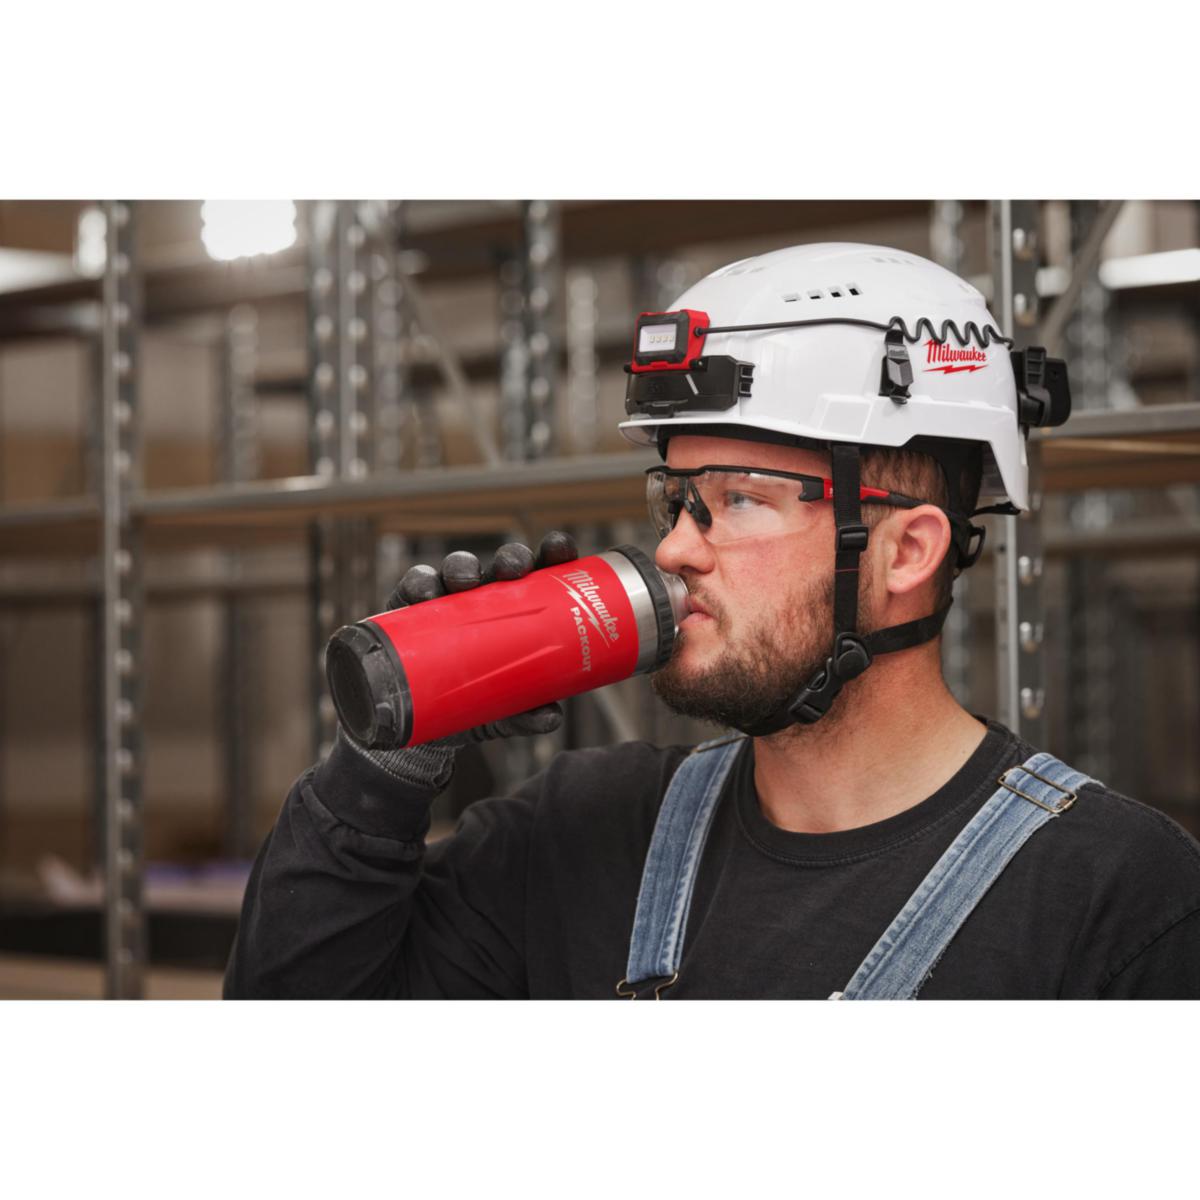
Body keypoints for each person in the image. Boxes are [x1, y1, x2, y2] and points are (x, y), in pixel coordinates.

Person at [225, 243, 1200, 999]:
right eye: (677, 500)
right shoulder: (579, 835)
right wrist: (378, 781)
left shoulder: (1112, 896)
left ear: (907, 552)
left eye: (739, 499)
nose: (678, 550)